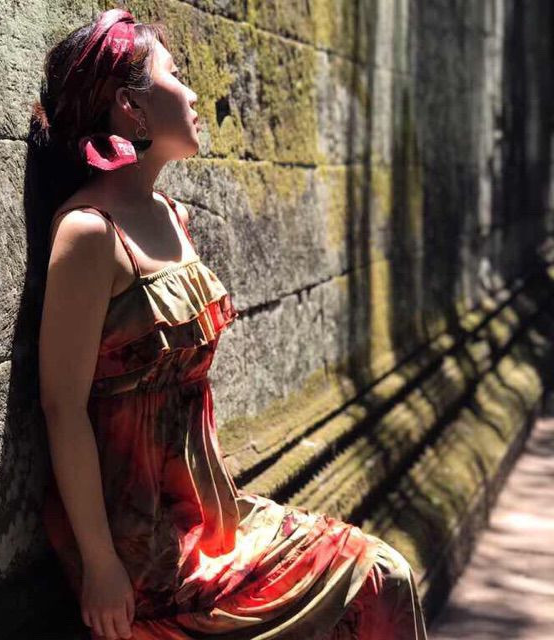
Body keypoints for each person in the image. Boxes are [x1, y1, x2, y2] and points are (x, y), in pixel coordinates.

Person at [31, 8, 429, 640]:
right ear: (131, 108)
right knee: (378, 577)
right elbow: (62, 407)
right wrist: (101, 565)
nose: (194, 94)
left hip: (213, 516)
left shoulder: (171, 215)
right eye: (175, 74)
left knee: (383, 579)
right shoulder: (88, 234)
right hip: (146, 548)